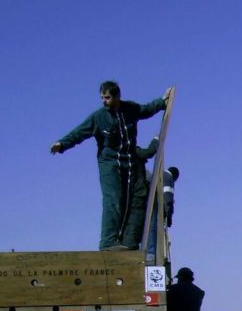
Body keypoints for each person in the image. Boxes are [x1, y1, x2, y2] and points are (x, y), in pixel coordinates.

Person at [50, 81, 171, 250]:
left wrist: (162, 101)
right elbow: (79, 132)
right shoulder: (99, 117)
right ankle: (108, 241)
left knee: (134, 200)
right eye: (102, 98)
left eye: (107, 97)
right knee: (113, 199)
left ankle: (129, 241)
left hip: (129, 162)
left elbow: (146, 110)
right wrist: (62, 144)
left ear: (117, 96)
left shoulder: (130, 109)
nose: (103, 101)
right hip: (110, 164)